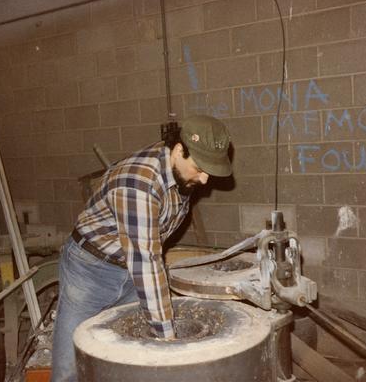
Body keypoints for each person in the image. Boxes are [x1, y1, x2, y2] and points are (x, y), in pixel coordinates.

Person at [50, 115, 232, 382]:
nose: (205, 180)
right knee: (70, 368)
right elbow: (146, 261)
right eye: (200, 168)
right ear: (179, 150)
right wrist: (169, 339)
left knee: (132, 356)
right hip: (90, 270)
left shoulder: (181, 170)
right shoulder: (139, 183)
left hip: (130, 268)